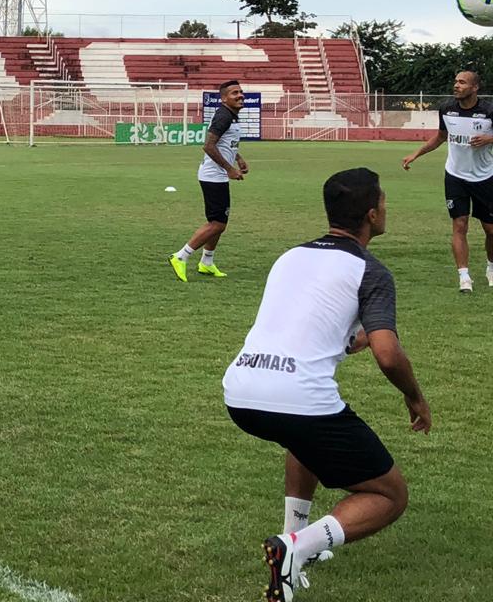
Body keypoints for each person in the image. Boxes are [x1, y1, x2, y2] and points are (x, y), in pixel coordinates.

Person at [223, 168, 430, 602]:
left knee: (304, 435)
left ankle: (291, 539)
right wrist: (414, 397)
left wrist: (354, 340)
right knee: (390, 496)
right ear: (372, 214)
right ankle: (296, 549)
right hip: (297, 397)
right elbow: (387, 353)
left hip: (241, 391)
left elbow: (308, 327)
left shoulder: (290, 256)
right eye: (385, 201)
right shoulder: (371, 271)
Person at [402, 68, 493, 293]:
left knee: (491, 230)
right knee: (459, 224)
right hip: (455, 175)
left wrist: (490, 138)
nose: (456, 86)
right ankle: (464, 278)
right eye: (456, 82)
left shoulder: (489, 110)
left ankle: (491, 267)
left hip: (485, 176)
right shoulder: (447, 109)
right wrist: (416, 153)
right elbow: (441, 137)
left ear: (474, 88)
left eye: (462, 82)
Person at [170, 80, 248, 281]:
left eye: (240, 92)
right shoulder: (223, 116)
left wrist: (238, 158)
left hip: (217, 175)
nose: (240, 95)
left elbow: (226, 143)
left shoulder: (231, 116)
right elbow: (209, 146)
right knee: (218, 223)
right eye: (234, 93)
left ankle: (207, 262)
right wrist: (229, 169)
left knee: (219, 221)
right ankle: (181, 256)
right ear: (224, 98)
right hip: (213, 177)